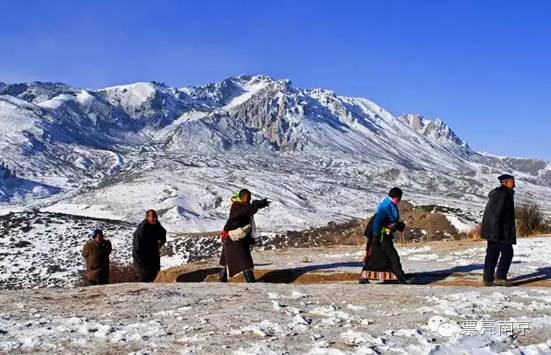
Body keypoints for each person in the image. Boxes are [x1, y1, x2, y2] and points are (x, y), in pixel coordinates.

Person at [360, 187, 411, 284]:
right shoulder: (386, 206)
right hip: (379, 234)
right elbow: (378, 221)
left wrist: (396, 225)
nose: (399, 200)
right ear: (397, 197)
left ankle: (369, 277)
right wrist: (375, 236)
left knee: (377, 256)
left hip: (382, 234)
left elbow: (390, 221)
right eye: (399, 198)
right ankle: (401, 278)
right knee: (392, 256)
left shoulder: (391, 203)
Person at [218, 189, 270, 283]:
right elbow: (247, 211)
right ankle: (251, 281)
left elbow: (249, 210)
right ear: (242, 197)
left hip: (237, 237)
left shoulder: (243, 206)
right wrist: (257, 204)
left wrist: (260, 204)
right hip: (233, 238)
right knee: (244, 260)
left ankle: (222, 279)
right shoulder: (237, 206)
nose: (249, 199)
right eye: (247, 197)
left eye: (250, 197)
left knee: (226, 259)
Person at [481, 174, 517, 286]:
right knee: (507, 253)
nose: (514, 184)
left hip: (494, 230)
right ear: (505, 183)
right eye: (512, 181)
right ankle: (500, 277)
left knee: (492, 253)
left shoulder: (500, 193)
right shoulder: (503, 194)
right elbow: (495, 214)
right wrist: (496, 232)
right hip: (500, 231)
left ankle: (488, 279)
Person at [133, 209, 167, 282]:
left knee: (155, 277)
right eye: (152, 217)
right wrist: (138, 261)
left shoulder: (157, 225)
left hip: (154, 257)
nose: (154, 219)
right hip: (143, 259)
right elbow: (137, 246)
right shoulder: (142, 229)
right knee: (144, 279)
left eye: (155, 217)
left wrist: (160, 243)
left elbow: (163, 233)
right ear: (147, 217)